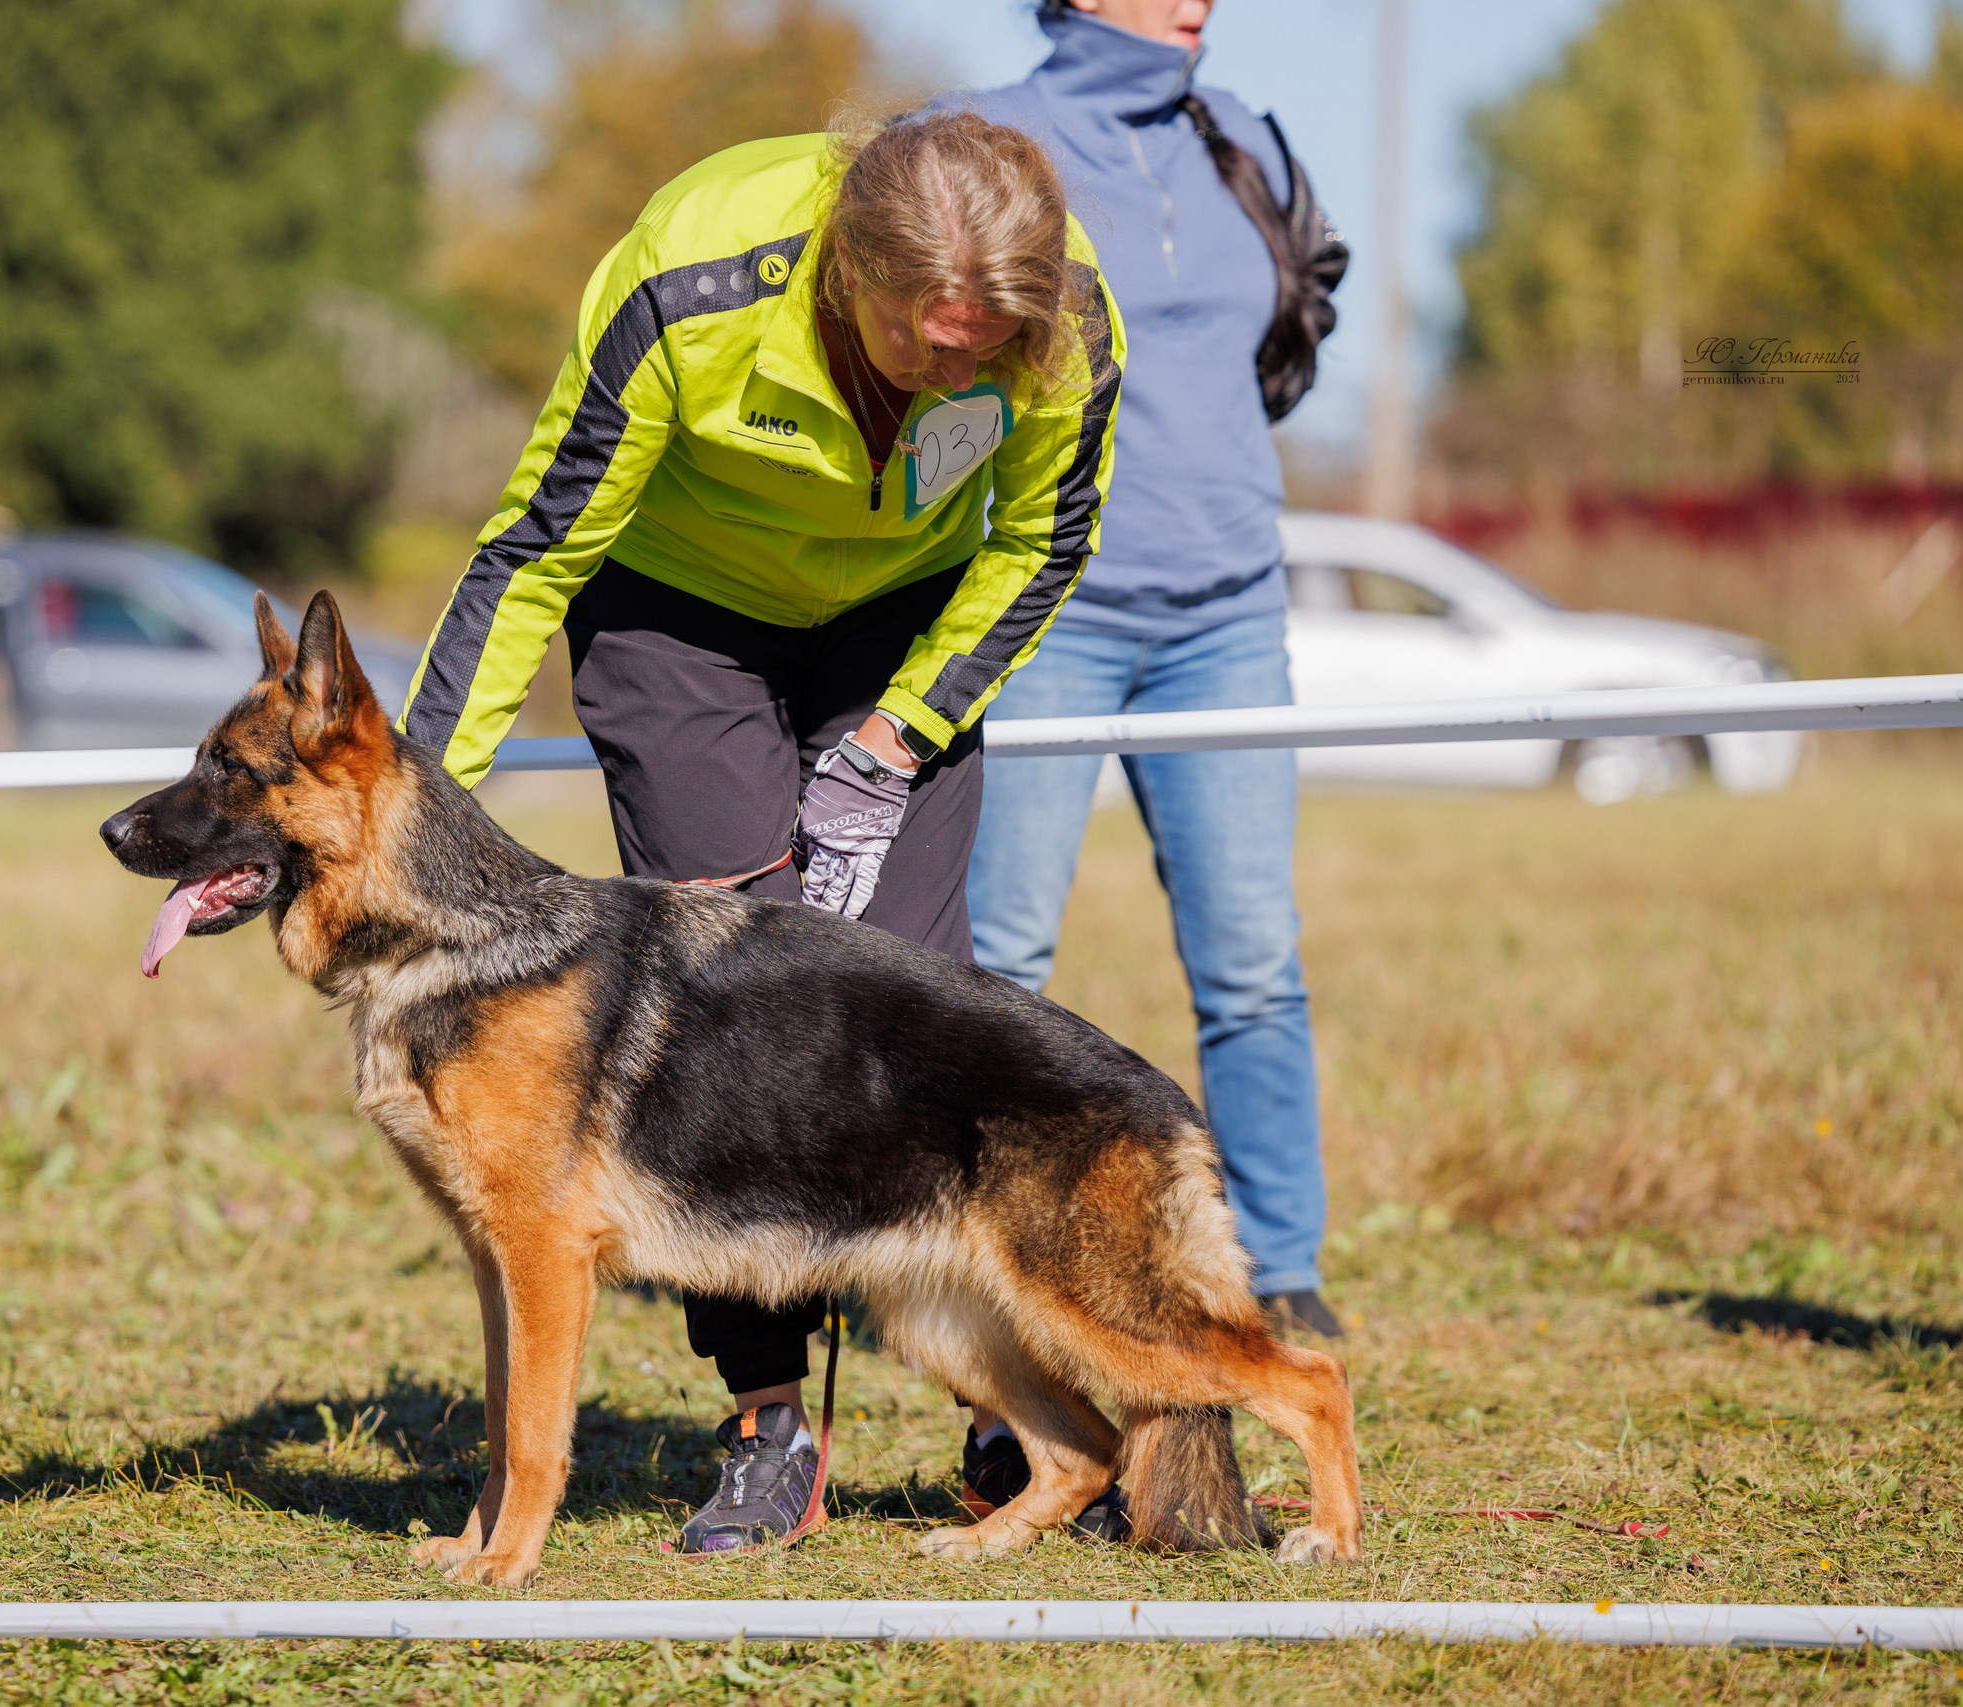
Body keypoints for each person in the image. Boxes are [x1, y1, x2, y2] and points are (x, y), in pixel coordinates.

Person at [397, 112, 1124, 1553]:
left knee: (914, 1003)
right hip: (680, 613)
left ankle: (1010, 1422)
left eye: (988, 350)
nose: (958, 369)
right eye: (931, 337)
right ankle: (766, 1419)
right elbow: (536, 552)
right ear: (849, 267)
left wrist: (900, 733)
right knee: (715, 1028)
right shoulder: (688, 280)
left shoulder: (1061, 321)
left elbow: (1044, 542)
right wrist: (415, 821)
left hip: (901, 619)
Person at [932, 0, 1342, 1519]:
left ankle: (1283, 1276)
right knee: (1006, 957)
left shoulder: (1242, 143)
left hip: (1232, 605)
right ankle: (996, 1279)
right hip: (1054, 604)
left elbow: (1295, 321)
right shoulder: (989, 138)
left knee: (1251, 960)